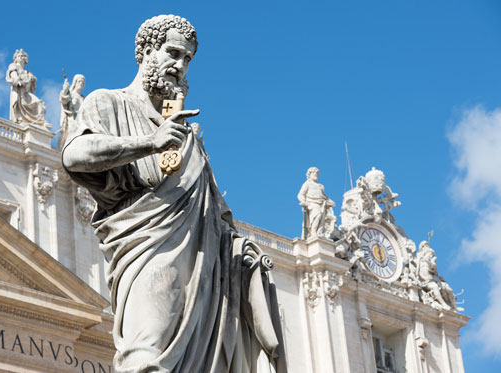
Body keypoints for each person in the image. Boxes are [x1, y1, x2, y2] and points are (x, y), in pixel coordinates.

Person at [62, 15, 285, 372]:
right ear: (147, 52)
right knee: (144, 359)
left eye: (187, 60)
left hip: (205, 276)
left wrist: (241, 255)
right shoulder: (108, 102)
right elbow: (74, 155)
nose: (180, 66)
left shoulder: (186, 135)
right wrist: (149, 142)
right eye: (173, 53)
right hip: (147, 256)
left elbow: (217, 217)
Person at [6, 49, 47, 127]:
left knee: (40, 103)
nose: (21, 57)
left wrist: (33, 79)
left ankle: (39, 122)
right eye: (19, 56)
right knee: (18, 105)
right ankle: (20, 119)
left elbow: (32, 83)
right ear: (16, 58)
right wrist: (17, 80)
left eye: (23, 56)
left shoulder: (27, 71)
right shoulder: (13, 66)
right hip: (19, 92)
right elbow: (12, 74)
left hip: (27, 94)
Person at [297, 167, 335, 239]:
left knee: (322, 220)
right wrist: (304, 202)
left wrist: (330, 201)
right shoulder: (307, 184)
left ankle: (319, 232)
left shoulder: (321, 186)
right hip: (312, 204)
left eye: (317, 173)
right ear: (310, 174)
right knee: (317, 215)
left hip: (322, 204)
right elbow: (300, 194)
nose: (316, 174)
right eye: (314, 173)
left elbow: (325, 196)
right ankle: (313, 232)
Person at [59, 74, 85, 149]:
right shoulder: (71, 94)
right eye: (80, 82)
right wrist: (65, 89)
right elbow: (63, 100)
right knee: (72, 136)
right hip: (71, 119)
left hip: (80, 120)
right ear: (75, 82)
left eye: (83, 83)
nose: (81, 84)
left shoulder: (83, 98)